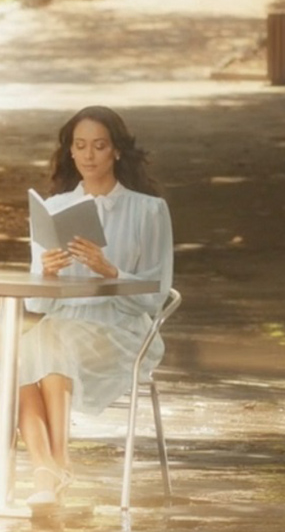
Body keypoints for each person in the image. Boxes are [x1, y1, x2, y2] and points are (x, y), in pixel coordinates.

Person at [18, 106, 173, 507]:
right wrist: (48, 274)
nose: (88, 156)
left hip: (122, 331)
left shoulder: (149, 210)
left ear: (117, 151)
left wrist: (110, 270)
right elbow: (36, 301)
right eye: (80, 146)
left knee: (50, 345)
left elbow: (156, 296)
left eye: (99, 146)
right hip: (65, 323)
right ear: (70, 152)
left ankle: (59, 465)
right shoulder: (53, 209)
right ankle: (45, 471)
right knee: (19, 358)